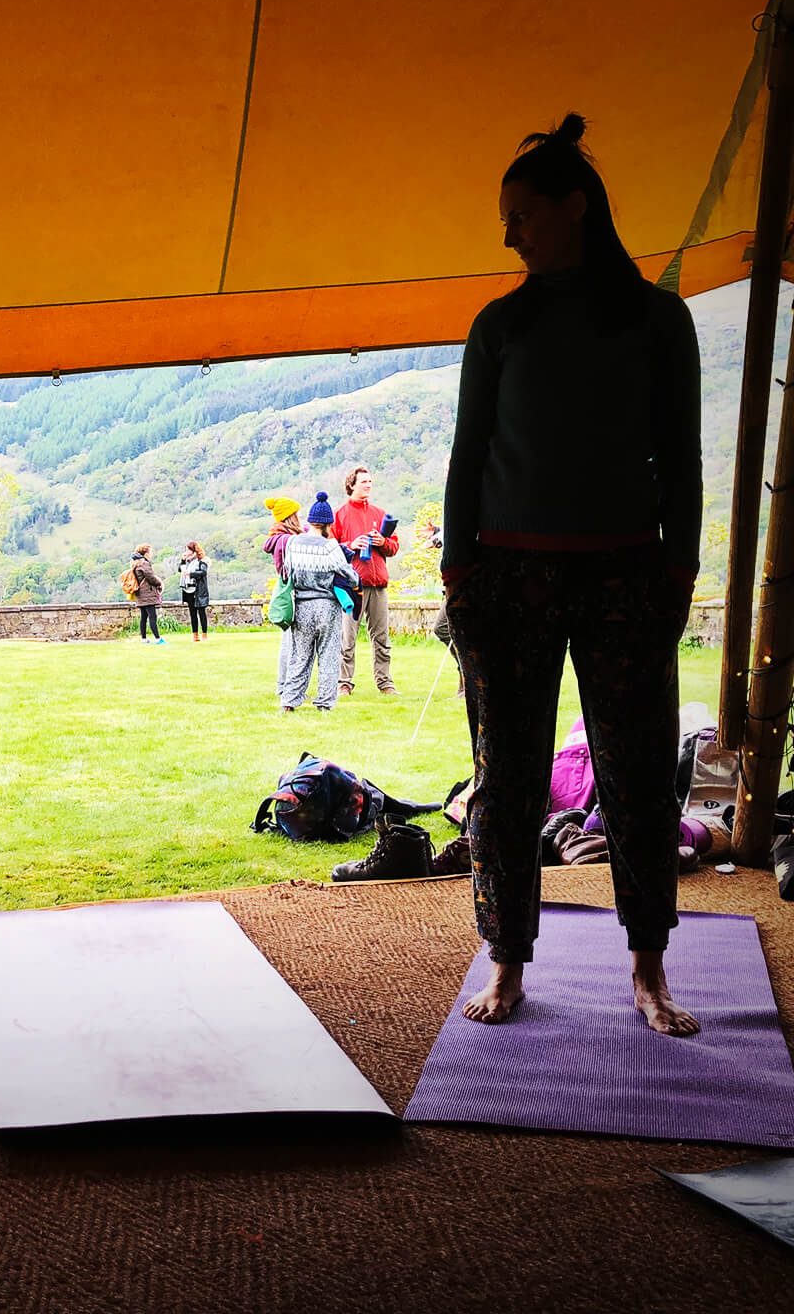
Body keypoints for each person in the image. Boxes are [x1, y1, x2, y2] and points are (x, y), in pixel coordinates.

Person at [442, 112, 702, 1037]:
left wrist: (678, 571)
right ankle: (507, 964)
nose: (507, 233)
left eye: (520, 214)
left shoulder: (658, 322)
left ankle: (650, 970)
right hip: (506, 579)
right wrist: (458, 570)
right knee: (504, 778)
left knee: (635, 773)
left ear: (574, 207)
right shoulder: (499, 326)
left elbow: (681, 455)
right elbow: (469, 454)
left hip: (628, 575)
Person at [267, 492, 360, 712]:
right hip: (327, 607)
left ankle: (289, 701)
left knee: (299, 655)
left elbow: (287, 573)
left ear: (310, 521)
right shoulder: (330, 546)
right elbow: (350, 576)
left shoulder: (293, 544)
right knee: (328, 655)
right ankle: (325, 703)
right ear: (328, 524)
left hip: (301, 606)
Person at [332, 465, 400, 695]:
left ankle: (385, 683)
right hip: (352, 585)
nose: (368, 485)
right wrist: (351, 545)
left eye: (370, 482)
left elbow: (393, 547)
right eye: (364, 482)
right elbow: (330, 549)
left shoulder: (380, 514)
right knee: (347, 637)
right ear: (352, 485)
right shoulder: (339, 514)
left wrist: (382, 542)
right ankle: (344, 683)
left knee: (381, 637)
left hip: (378, 583)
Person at [418, 513, 465, 699]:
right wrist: (437, 531)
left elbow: (462, 530)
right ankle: (466, 677)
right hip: (454, 582)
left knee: (446, 628)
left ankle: (468, 678)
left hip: (465, 581)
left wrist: (437, 539)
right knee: (445, 629)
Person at [177, 541, 211, 642]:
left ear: (194, 551)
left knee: (201, 612)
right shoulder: (187, 561)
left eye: (188, 549)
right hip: (188, 590)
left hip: (198, 590)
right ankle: (195, 635)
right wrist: (182, 560)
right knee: (192, 613)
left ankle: (204, 634)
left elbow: (203, 572)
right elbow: (180, 569)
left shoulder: (202, 560)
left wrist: (190, 574)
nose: (186, 551)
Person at [131, 544, 164, 644]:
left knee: (144, 617)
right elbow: (150, 577)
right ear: (145, 553)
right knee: (152, 616)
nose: (151, 554)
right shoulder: (144, 564)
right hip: (148, 594)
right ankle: (158, 639)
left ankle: (144, 639)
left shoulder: (136, 563)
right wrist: (159, 583)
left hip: (140, 594)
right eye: (150, 552)